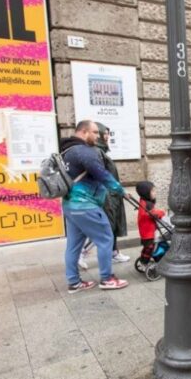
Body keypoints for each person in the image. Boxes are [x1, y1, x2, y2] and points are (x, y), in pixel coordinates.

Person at [60, 120, 129, 292]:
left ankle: (74, 282)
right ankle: (107, 279)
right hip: (85, 205)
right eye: (95, 132)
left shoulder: (66, 151)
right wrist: (121, 190)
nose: (98, 136)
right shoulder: (84, 151)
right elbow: (102, 174)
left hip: (70, 205)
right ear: (84, 132)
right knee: (106, 238)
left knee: (73, 245)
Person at [79, 122, 129, 269]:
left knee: (111, 225)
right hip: (106, 195)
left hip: (112, 194)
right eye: (104, 133)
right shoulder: (96, 152)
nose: (107, 136)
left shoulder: (101, 151)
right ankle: (82, 252)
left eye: (108, 133)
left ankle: (114, 252)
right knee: (105, 226)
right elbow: (102, 175)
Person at [135, 181, 167, 269]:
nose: (155, 192)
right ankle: (144, 263)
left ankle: (143, 260)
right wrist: (162, 212)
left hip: (145, 229)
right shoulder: (147, 204)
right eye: (152, 191)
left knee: (147, 247)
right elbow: (153, 214)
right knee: (149, 247)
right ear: (146, 192)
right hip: (147, 231)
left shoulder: (143, 201)